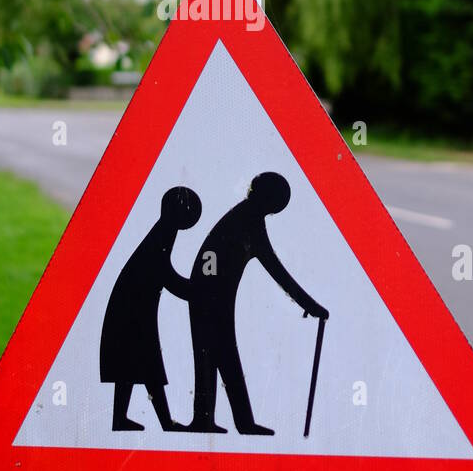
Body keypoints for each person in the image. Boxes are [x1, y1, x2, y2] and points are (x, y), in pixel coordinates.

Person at [187, 171, 328, 435]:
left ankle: (228, 421)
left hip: (213, 296)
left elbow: (274, 267)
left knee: (220, 356)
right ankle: (213, 420)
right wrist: (310, 305)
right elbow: (276, 269)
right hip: (208, 296)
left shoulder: (249, 217)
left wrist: (310, 305)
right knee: (214, 355)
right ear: (268, 199)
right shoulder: (246, 220)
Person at [99, 185, 200, 431]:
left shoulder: (163, 231)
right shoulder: (163, 235)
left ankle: (126, 420)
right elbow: (164, 271)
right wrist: (197, 292)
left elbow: (163, 271)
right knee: (144, 364)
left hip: (134, 306)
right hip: (132, 309)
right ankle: (162, 422)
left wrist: (190, 290)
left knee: (135, 365)